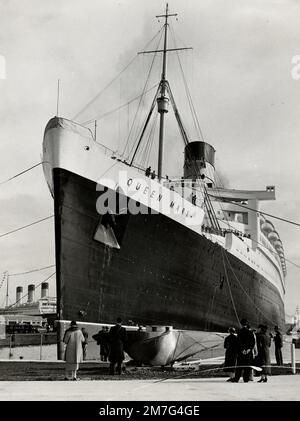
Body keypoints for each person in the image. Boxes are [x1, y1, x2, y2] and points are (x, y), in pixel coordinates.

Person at [232, 318, 256, 383]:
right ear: (247, 324)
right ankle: (246, 379)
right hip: (248, 353)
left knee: (239, 366)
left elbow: (238, 342)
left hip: (241, 352)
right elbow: (253, 342)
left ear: (241, 324)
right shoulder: (250, 333)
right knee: (247, 366)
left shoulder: (239, 332)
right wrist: (248, 349)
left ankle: (237, 378)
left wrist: (242, 349)